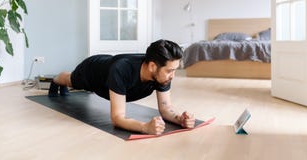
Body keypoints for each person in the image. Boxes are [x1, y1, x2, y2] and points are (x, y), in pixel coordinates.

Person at [48, 39, 196, 135]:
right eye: (170, 71)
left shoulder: (162, 73)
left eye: (175, 70)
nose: (173, 76)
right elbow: (117, 118)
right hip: (91, 71)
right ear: (152, 66)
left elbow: (166, 109)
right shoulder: (122, 70)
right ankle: (54, 80)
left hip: (109, 67)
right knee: (70, 80)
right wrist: (145, 127)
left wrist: (179, 120)